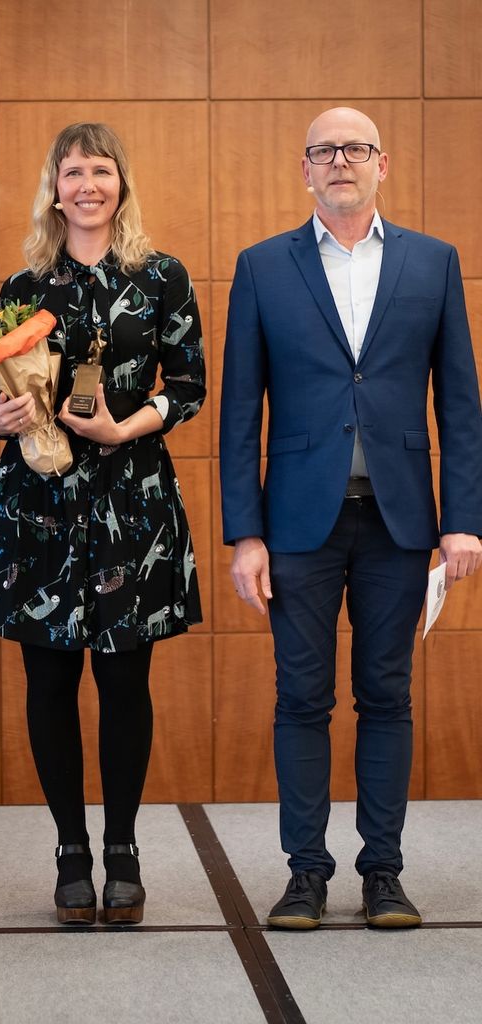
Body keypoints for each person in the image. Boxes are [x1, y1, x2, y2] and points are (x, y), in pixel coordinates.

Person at [220, 106, 482, 930]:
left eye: (356, 149)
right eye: (325, 150)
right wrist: (245, 532)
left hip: (401, 523)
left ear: (383, 165)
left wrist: (463, 519)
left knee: (386, 697)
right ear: (304, 169)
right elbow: (239, 413)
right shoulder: (263, 267)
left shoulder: (434, 264)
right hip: (298, 522)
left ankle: (383, 873)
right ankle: (305, 875)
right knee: (301, 699)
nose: (341, 161)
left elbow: (462, 404)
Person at [0, 122, 205, 926]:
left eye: (101, 171)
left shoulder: (162, 276)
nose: (87, 186)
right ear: (55, 187)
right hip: (38, 508)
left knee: (125, 679)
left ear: (121, 182)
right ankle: (70, 848)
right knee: (47, 680)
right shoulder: (22, 286)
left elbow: (192, 385)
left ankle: (123, 848)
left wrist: (124, 428)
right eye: (73, 173)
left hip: (132, 498)